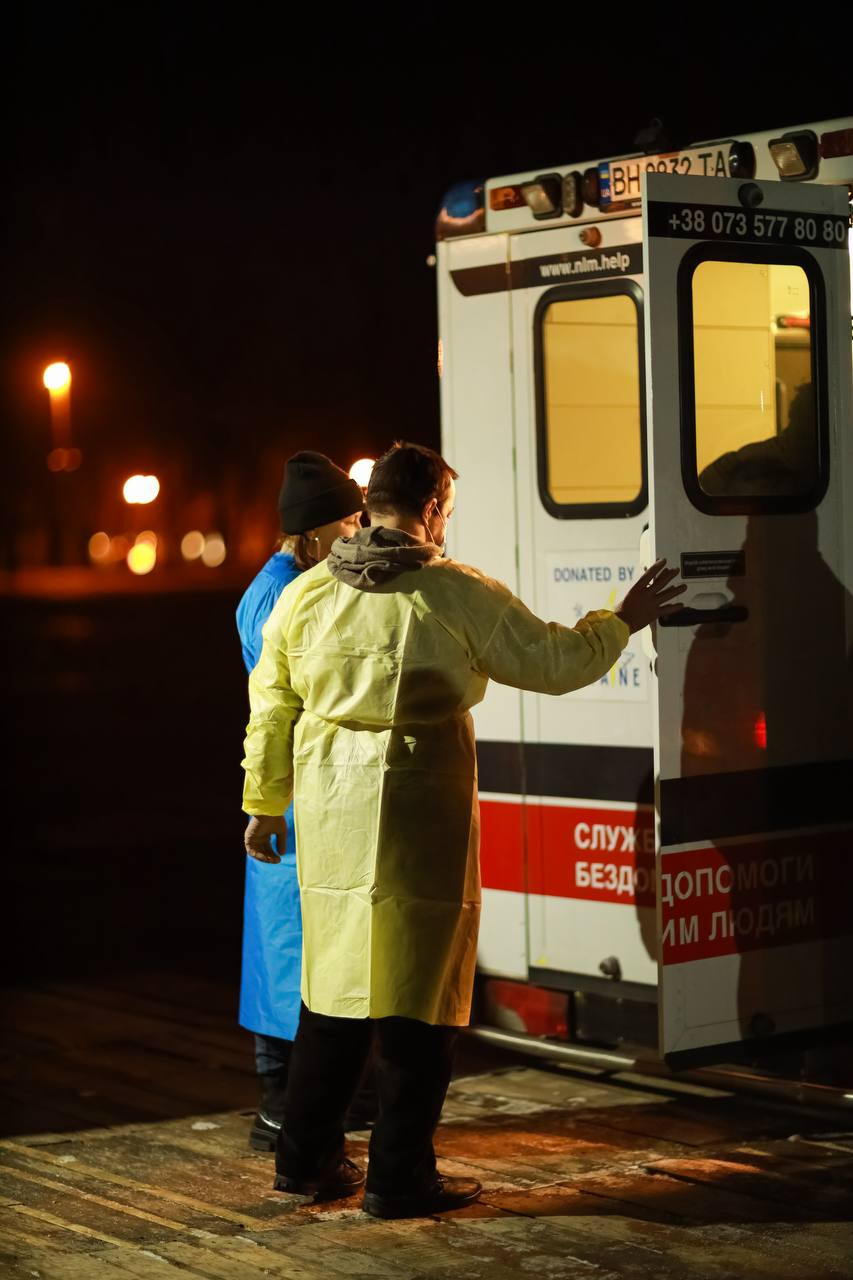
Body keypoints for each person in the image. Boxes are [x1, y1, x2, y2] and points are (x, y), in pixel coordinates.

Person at [242, 442, 683, 1216]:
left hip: (331, 810)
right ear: (431, 509)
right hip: (419, 812)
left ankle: (304, 1160)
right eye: (448, 510)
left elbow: (271, 706)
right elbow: (552, 661)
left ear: (369, 504)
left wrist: (264, 803)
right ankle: (397, 1178)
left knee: (332, 992)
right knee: (418, 1001)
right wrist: (621, 621)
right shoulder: (453, 591)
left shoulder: (304, 596)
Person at [236, 451, 365, 1151]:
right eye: (348, 521)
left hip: (297, 792)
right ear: (313, 531)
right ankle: (279, 1103)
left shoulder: (288, 583)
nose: (357, 531)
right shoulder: (282, 595)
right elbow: (281, 703)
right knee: (287, 948)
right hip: (290, 797)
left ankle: (309, 1097)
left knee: (291, 945)